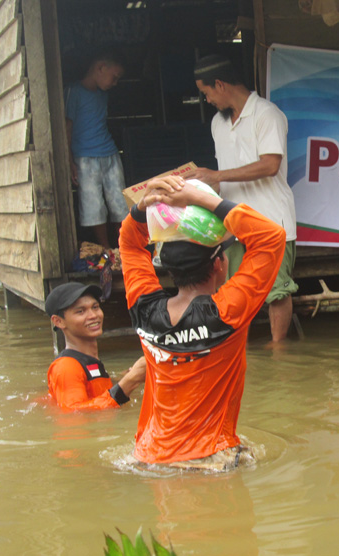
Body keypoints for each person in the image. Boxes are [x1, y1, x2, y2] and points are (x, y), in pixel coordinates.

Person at [118, 176, 286, 469]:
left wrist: (142, 207)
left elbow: (129, 245)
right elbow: (271, 237)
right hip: (210, 459)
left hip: (148, 456)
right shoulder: (229, 312)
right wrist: (201, 199)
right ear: (219, 265)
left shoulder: (143, 309)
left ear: (167, 269)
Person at [185, 54, 298, 344]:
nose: (207, 99)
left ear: (220, 84)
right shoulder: (217, 123)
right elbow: (219, 175)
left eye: (206, 92)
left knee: (277, 292)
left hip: (271, 220)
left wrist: (217, 176)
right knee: (232, 292)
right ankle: (237, 350)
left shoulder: (266, 114)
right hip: (232, 223)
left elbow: (270, 165)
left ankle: (278, 352)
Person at [45, 282, 146, 411]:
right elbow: (74, 415)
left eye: (95, 307)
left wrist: (126, 376)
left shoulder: (88, 361)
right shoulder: (66, 367)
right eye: (80, 311)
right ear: (59, 321)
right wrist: (131, 381)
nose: (93, 315)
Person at [65, 48, 128, 249]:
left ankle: (125, 245)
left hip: (110, 154)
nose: (115, 83)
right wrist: (70, 160)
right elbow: (67, 127)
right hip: (85, 159)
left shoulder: (103, 95)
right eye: (114, 77)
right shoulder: (74, 92)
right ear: (100, 68)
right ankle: (106, 248)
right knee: (93, 206)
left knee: (120, 202)